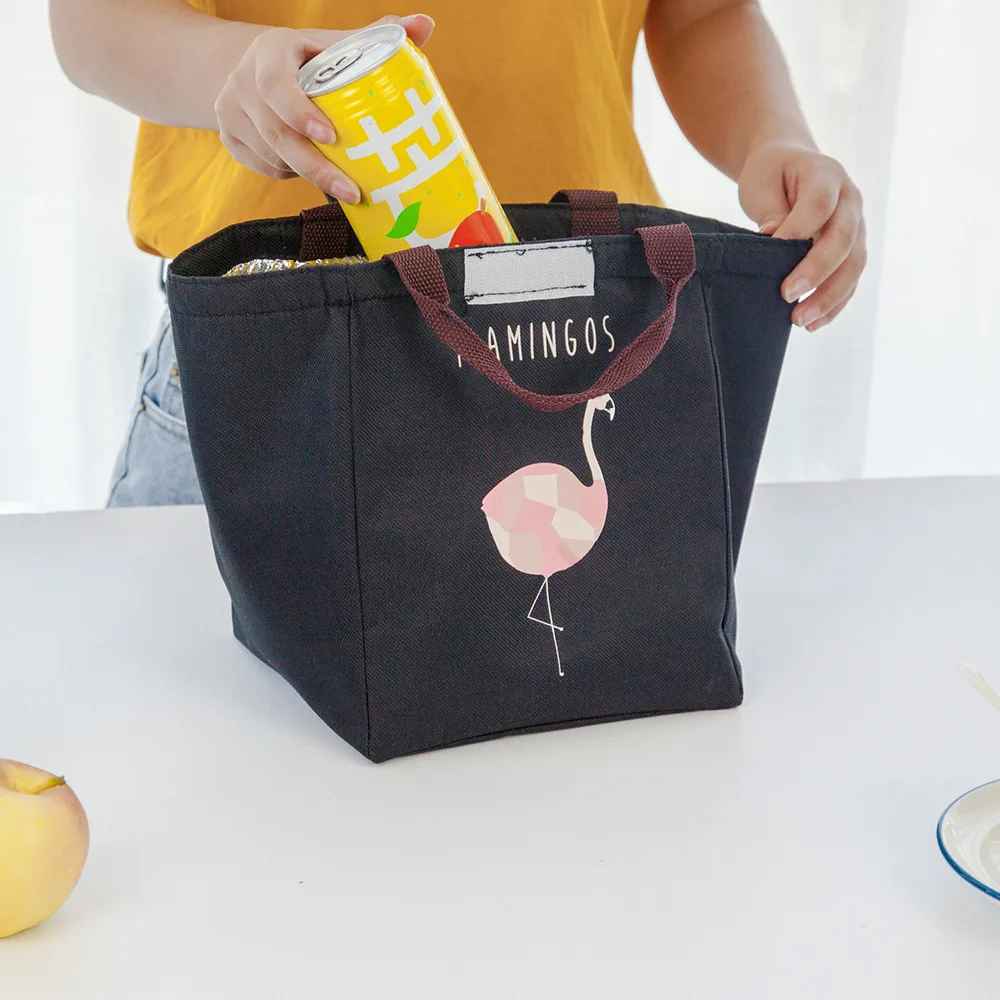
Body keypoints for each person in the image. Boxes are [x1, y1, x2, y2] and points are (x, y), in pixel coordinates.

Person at [50, 1, 866, 507]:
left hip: (570, 340)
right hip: (277, 347)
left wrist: (773, 140)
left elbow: (703, 12)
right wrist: (241, 72)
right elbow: (92, 19)